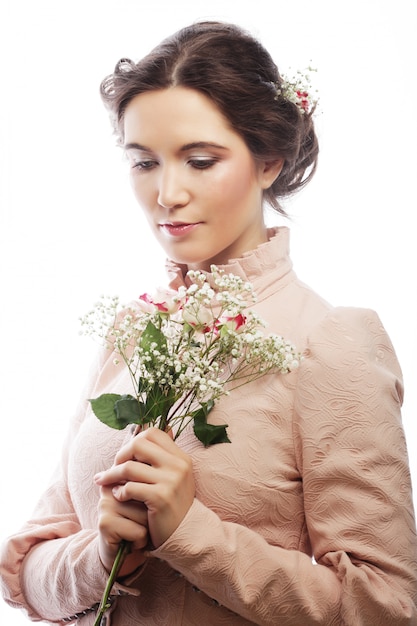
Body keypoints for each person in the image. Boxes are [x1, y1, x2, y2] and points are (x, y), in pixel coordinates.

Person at [1, 20, 416, 626]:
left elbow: (386, 606)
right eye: (144, 162)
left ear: (269, 160)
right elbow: (29, 572)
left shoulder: (332, 342)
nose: (167, 193)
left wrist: (192, 533)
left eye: (199, 160)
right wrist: (102, 557)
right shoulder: (131, 328)